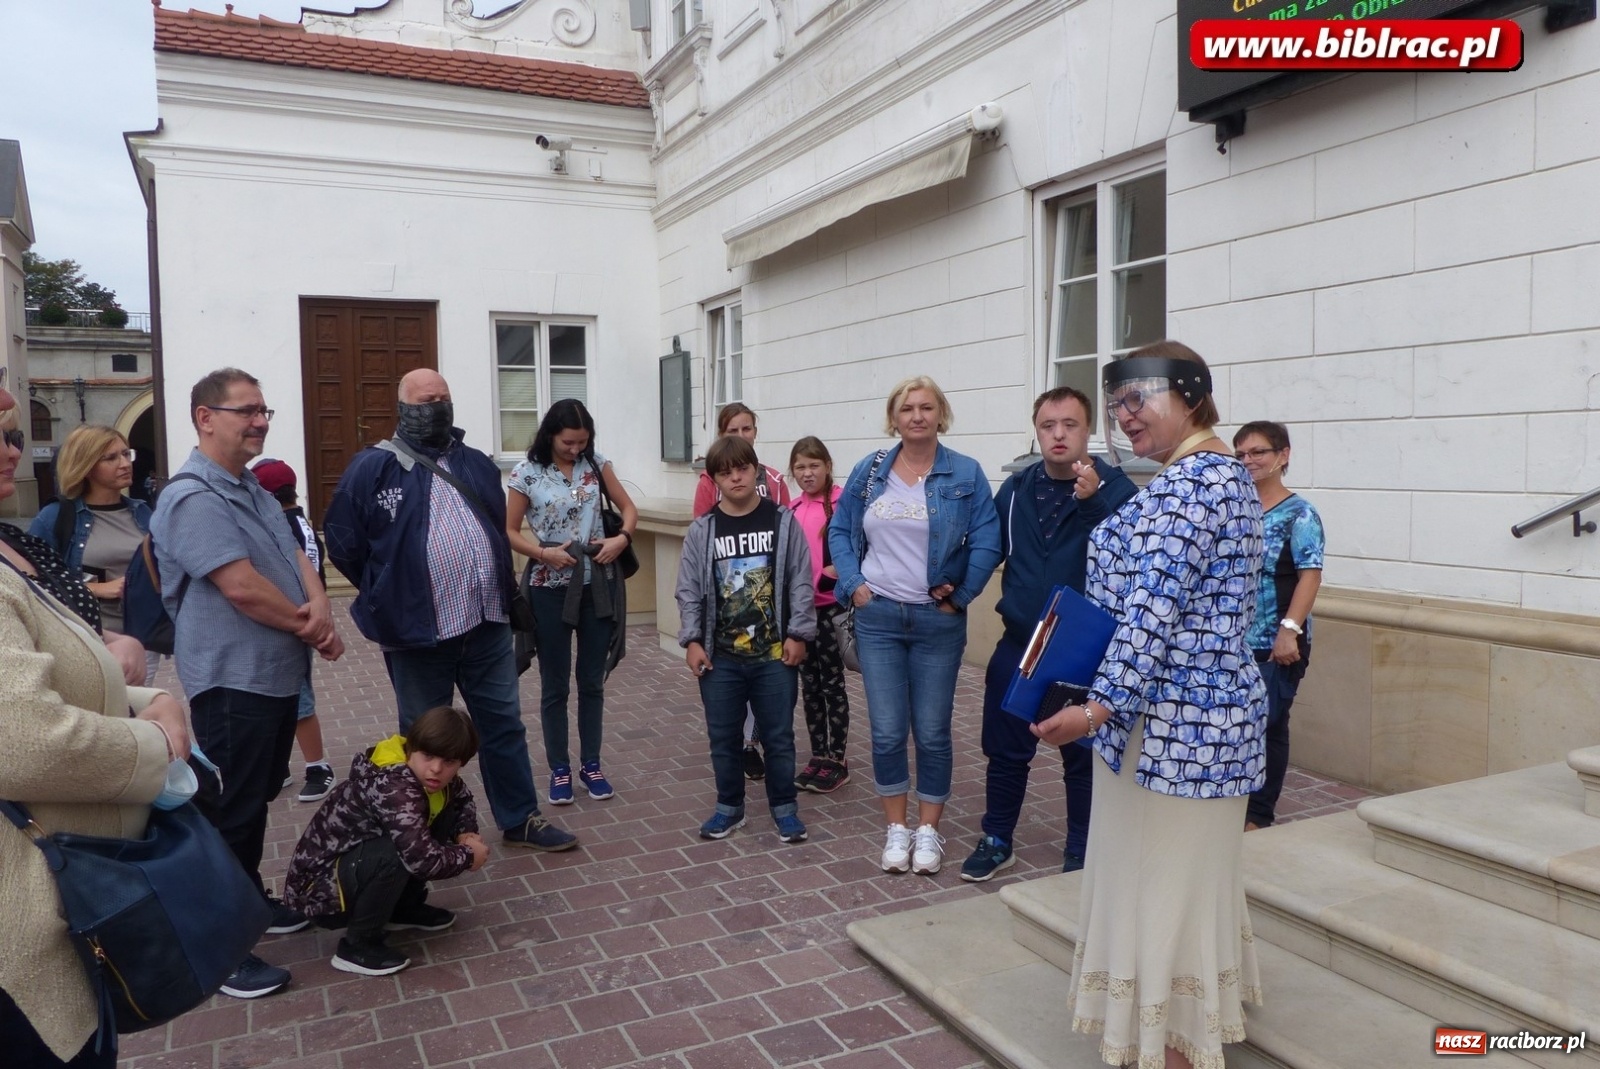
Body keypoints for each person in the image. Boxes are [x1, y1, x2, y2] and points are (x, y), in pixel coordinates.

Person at [1032, 341, 1266, 1069]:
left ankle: (1173, 1048)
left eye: (1141, 397)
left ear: (1192, 393)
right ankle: (1160, 1038)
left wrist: (1095, 710)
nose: (1125, 415)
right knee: (1158, 890)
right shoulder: (1186, 478)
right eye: (1118, 401)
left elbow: (1153, 611)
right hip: (1158, 728)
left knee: (1169, 895)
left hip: (1180, 736)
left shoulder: (1200, 480)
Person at [0, 374, 192, 1067]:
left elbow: (51, 674)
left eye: (15, 434)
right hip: (23, 926)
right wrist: (154, 741)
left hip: (68, 898)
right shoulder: (47, 528)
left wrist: (148, 698)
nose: (12, 450)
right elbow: (25, 739)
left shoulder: (10, 542)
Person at [150, 367, 346, 1000]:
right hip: (232, 682)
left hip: (272, 675)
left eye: (265, 410)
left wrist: (318, 607)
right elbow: (238, 587)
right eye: (247, 411)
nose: (261, 421)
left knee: (255, 796)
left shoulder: (252, 488)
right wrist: (310, 627)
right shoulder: (192, 497)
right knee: (230, 810)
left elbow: (296, 556)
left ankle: (246, 900)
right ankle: (224, 948)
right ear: (206, 417)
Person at [324, 368, 577, 854]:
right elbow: (344, 544)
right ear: (402, 408)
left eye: (442, 399)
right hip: (418, 636)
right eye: (424, 401)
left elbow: (499, 527)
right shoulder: (371, 468)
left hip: (484, 624)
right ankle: (426, 834)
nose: (435, 408)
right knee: (426, 741)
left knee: (503, 725)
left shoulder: (476, 463)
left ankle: (520, 818)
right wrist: (386, 591)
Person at [959, 387, 1137, 883]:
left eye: (1070, 424)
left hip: (1082, 653)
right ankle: (997, 838)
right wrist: (950, 587)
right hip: (1019, 644)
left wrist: (1093, 502)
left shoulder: (1117, 488)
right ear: (1036, 432)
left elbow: (1129, 560)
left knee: (1081, 756)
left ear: (1088, 431)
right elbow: (986, 548)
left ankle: (1082, 847)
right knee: (1005, 749)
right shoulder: (1016, 490)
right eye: (1048, 426)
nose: (1058, 435)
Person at [828, 376, 1002, 876]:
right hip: (879, 616)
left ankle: (928, 831)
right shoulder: (869, 472)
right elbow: (840, 529)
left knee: (931, 731)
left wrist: (963, 595)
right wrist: (854, 585)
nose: (917, 416)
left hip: (936, 622)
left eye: (927, 408)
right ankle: (896, 828)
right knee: (885, 732)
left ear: (940, 414)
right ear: (894, 417)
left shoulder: (965, 472)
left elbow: (988, 539)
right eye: (908, 408)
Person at [676, 435, 816, 844]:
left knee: (778, 736)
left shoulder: (782, 521)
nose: (735, 477)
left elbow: (800, 582)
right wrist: (692, 640)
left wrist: (798, 633)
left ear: (755, 470)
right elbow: (688, 590)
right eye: (725, 472)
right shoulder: (704, 530)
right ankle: (729, 808)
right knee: (723, 736)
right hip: (721, 657)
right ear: (714, 479)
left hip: (775, 654)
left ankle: (785, 808)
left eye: (742, 468)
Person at [284, 705, 489, 978]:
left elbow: (462, 798)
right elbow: (422, 860)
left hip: (348, 870)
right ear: (410, 749)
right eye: (428, 755)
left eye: (449, 761)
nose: (437, 768)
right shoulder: (394, 785)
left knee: (438, 814)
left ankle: (402, 909)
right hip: (320, 893)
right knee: (396, 852)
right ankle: (358, 945)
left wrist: (465, 832)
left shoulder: (433, 778)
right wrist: (467, 855)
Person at [505, 399, 636, 806]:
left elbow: (628, 508)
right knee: (555, 685)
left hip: (597, 581)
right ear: (549, 435)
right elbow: (508, 531)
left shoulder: (597, 463)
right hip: (548, 585)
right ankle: (559, 769)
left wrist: (622, 537)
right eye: (567, 442)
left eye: (581, 442)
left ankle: (591, 766)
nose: (575, 449)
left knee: (592, 681)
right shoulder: (526, 472)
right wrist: (543, 554)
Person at [1233, 421, 1324, 831]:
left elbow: (1310, 573)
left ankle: (1258, 815)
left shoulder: (1299, 513)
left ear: (1283, 455)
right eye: (1241, 454)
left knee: (1268, 725)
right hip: (1233, 641)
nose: (1248, 460)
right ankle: (1234, 803)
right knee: (1240, 724)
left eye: (1258, 452)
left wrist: (1289, 629)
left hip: (1276, 642)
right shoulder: (1237, 511)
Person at [693, 402, 791, 782]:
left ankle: (758, 743)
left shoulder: (774, 478)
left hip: (768, 595)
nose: (740, 436)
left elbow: (786, 534)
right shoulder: (708, 481)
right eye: (732, 430)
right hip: (729, 597)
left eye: (746, 429)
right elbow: (702, 534)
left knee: (770, 681)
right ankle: (744, 749)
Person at [251, 458, 338, 803]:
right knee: (279, 697)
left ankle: (318, 766)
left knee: (298, 699)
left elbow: (302, 575)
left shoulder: (288, 526)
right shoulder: (290, 522)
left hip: (292, 620)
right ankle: (280, 764)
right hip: (286, 619)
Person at [28, 425, 152, 638]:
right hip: (88, 633)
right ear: (86, 466)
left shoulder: (141, 511)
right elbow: (31, 581)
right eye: (111, 458)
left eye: (125, 454)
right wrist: (98, 589)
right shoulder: (56, 516)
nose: (124, 464)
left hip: (143, 634)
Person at [787, 436, 851, 793]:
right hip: (801, 613)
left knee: (832, 684)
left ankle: (838, 759)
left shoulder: (842, 506)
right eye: (800, 467)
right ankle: (818, 754)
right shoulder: (793, 510)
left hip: (830, 609)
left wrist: (833, 573)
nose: (808, 473)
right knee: (809, 685)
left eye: (814, 465)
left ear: (827, 466)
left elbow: (857, 550)